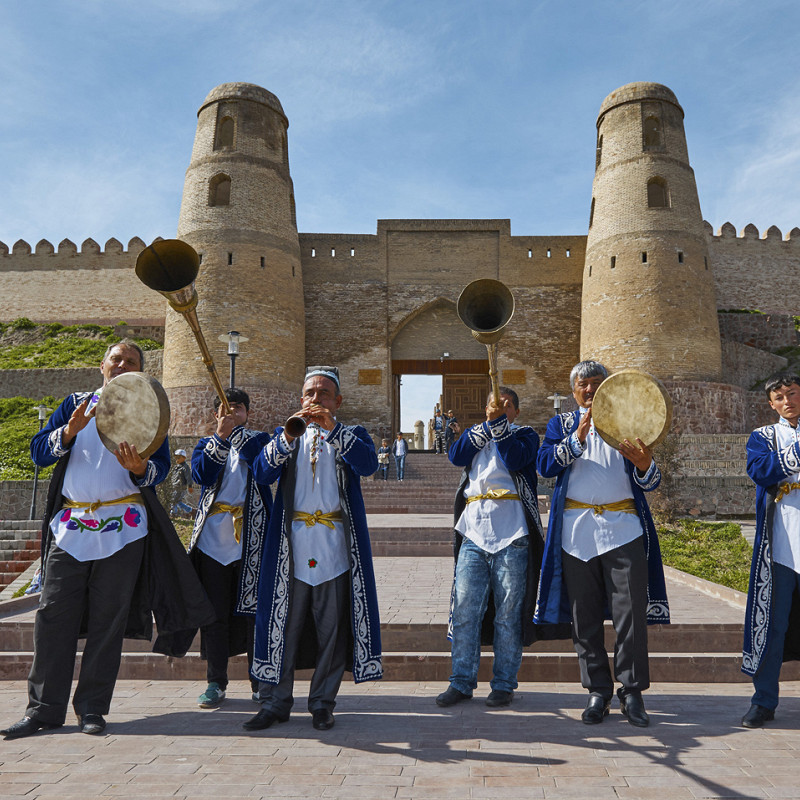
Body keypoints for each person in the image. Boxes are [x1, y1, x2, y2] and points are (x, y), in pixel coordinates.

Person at [1, 340, 214, 741]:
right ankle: (43, 710)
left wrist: (141, 467)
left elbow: (161, 470)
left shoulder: (149, 406)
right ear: (103, 365)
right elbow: (37, 454)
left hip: (124, 528)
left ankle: (93, 709)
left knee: (107, 620)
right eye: (116, 359)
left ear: (140, 369)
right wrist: (67, 432)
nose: (121, 364)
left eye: (131, 361)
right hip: (73, 524)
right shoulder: (74, 404)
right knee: (52, 616)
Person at [243, 366, 382, 732]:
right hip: (292, 546)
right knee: (282, 625)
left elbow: (367, 465)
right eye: (309, 393)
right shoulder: (286, 435)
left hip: (334, 545)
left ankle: (322, 702)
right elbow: (261, 474)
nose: (314, 399)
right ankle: (275, 701)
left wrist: (333, 431)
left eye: (323, 393)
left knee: (331, 629)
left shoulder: (351, 435)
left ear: (338, 401)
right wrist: (286, 439)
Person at [535, 360, 669, 727]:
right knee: (585, 616)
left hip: (624, 528)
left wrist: (644, 465)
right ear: (574, 391)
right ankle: (597, 690)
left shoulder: (630, 419)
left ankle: (631, 690)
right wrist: (576, 440)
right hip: (577, 533)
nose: (591, 390)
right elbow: (545, 465)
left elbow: (650, 481)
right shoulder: (560, 425)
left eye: (597, 383)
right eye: (584, 385)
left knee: (630, 616)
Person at [437, 387, 568, 708]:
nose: (501, 409)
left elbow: (516, 458)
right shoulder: (475, 435)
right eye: (495, 406)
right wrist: (486, 429)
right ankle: (462, 680)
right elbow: (456, 455)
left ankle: (504, 682)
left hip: (512, 533)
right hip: (474, 532)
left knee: (508, 613)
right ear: (485, 410)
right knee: (466, 610)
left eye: (507, 406)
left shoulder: (524, 435)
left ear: (516, 412)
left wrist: (499, 428)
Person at [188, 388, 273, 708]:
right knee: (215, 615)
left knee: (254, 614)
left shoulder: (258, 442)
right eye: (225, 408)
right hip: (213, 542)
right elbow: (202, 474)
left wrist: (239, 436)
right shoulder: (205, 446)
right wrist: (221, 439)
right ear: (215, 415)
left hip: (251, 541)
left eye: (237, 408)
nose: (232, 413)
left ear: (247, 413)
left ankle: (259, 681)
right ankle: (215, 681)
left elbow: (266, 468)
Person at [740, 374, 800, 728]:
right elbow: (760, 470)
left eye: (792, 393)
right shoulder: (763, 437)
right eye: (780, 397)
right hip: (780, 547)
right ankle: (763, 701)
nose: (787, 400)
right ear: (772, 404)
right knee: (772, 627)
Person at [170, 448, 195, 518]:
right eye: (176, 458)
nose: (177, 459)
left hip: (181, 488)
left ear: (184, 458)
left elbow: (188, 477)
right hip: (175, 487)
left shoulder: (185, 467)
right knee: (178, 501)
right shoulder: (176, 467)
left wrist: (190, 486)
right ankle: (191, 510)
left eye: (178, 458)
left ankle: (173, 513)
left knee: (173, 501)